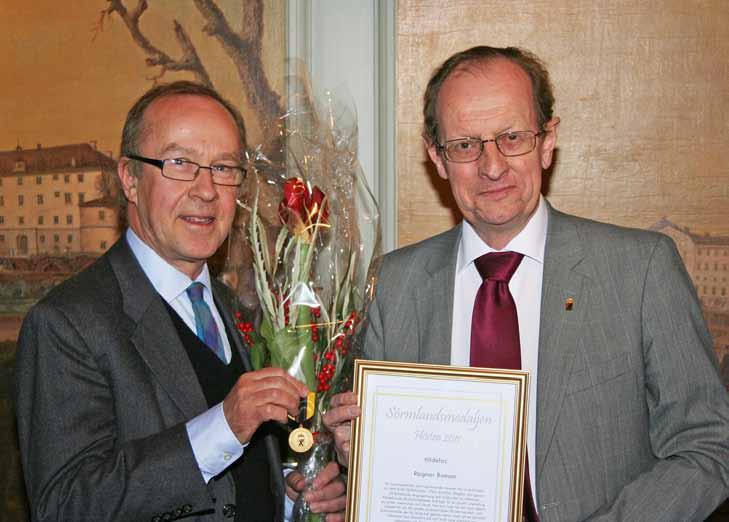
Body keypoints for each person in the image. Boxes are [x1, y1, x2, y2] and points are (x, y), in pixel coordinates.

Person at [324, 46, 729, 521]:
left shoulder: (639, 270)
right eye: (465, 145)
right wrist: (358, 452)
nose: (491, 166)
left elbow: (708, 444)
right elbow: (370, 469)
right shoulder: (396, 285)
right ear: (437, 157)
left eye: (511, 137)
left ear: (547, 140)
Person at [15, 81, 345, 522]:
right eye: (180, 163)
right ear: (130, 179)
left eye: (224, 168)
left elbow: (231, 485)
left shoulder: (242, 312)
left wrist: (291, 499)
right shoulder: (67, 323)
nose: (206, 190)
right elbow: (66, 505)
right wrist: (223, 427)